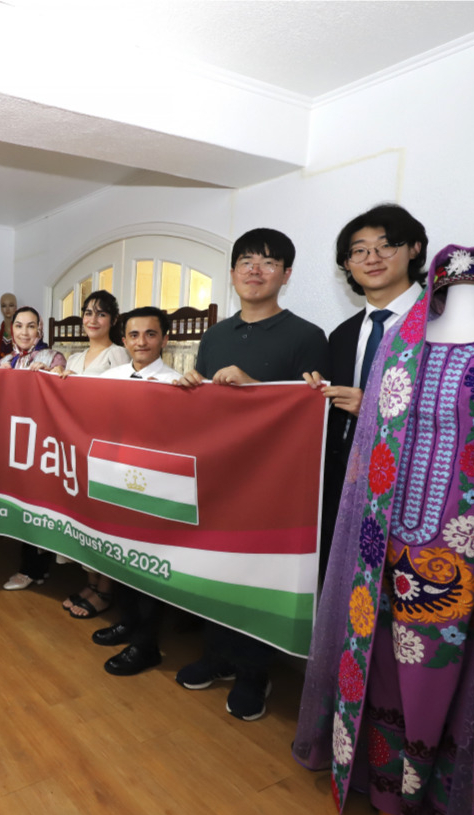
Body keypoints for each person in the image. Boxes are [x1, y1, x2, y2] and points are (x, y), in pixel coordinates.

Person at [293, 245, 474, 815]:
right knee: (385, 654)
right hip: (388, 533)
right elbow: (375, 440)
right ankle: (384, 782)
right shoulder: (405, 345)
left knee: (453, 666)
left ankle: (441, 790)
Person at [175, 227, 328, 720]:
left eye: (268, 262)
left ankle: (254, 673)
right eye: (246, 261)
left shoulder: (307, 337)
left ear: (286, 273)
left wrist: (255, 386)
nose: (255, 271)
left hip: (272, 486)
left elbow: (309, 416)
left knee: (257, 577)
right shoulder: (215, 335)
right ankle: (217, 657)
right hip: (217, 479)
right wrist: (192, 388)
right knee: (213, 571)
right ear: (233, 272)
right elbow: (206, 416)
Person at [304, 204, 427, 574]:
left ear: (415, 249)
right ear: (347, 264)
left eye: (385, 245)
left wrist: (374, 407)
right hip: (344, 483)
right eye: (359, 251)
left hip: (416, 487)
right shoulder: (341, 335)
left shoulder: (440, 323)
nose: (372, 258)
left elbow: (460, 407)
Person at [88, 306, 186, 675]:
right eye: (133, 335)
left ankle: (147, 646)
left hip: (154, 490)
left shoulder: (178, 385)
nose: (141, 342)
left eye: (150, 334)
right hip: (114, 483)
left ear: (164, 338)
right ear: (123, 338)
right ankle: (128, 623)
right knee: (120, 560)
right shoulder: (109, 378)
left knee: (147, 568)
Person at [54, 289, 130, 617]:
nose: (92, 320)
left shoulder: (118, 355)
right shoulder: (73, 358)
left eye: (100, 314)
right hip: (76, 446)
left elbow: (120, 402)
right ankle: (90, 580)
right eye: (87, 312)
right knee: (81, 516)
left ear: (113, 320)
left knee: (103, 520)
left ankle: (106, 589)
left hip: (106, 448)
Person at [0, 306, 65, 591]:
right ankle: (38, 567)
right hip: (14, 442)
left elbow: (64, 387)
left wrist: (52, 373)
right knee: (21, 504)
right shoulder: (5, 361)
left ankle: (32, 568)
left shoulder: (53, 357)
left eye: (31, 326)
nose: (24, 332)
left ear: (40, 330)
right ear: (11, 330)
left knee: (40, 504)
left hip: (44, 443)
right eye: (19, 326)